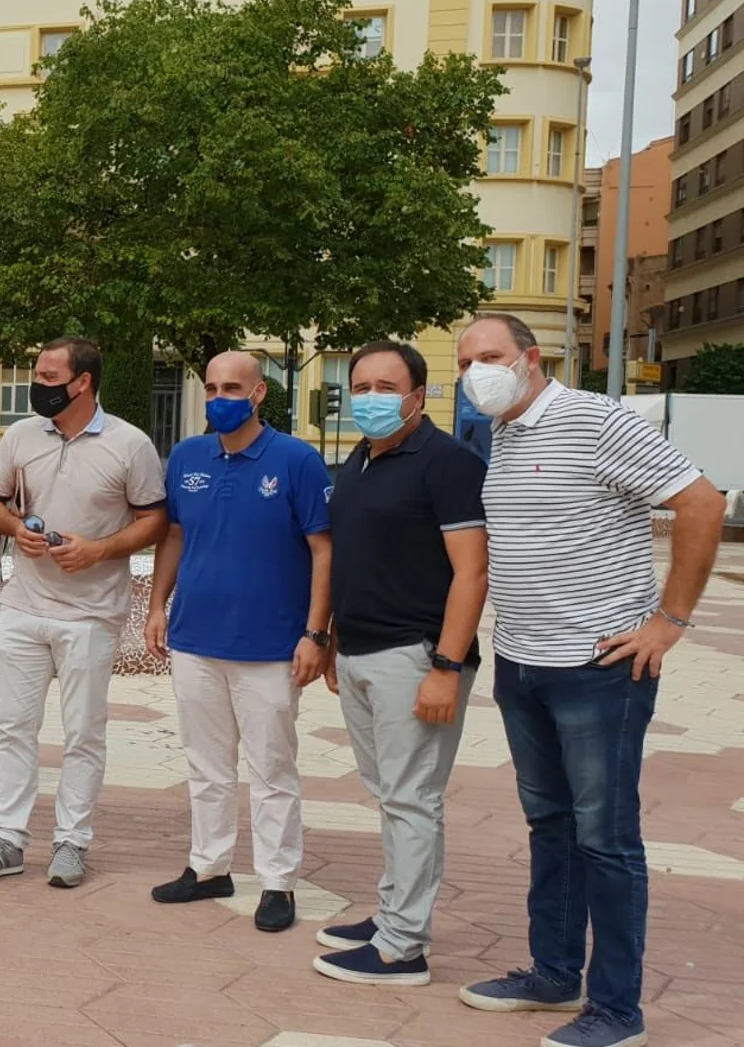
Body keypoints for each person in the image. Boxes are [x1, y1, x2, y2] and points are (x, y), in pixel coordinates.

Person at [453, 314, 725, 1047]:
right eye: (467, 360)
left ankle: (616, 1009)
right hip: (523, 661)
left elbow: (702, 501)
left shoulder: (596, 419)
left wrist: (669, 620)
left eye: (493, 356)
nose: (478, 370)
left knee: (606, 838)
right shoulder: (501, 432)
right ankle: (552, 972)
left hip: (598, 669)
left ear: (531, 360)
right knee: (552, 825)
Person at [309, 341, 488, 987]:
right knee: (391, 793)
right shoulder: (357, 460)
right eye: (362, 384)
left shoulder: (448, 463)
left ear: (418, 394)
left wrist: (446, 663)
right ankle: (392, 914)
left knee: (413, 798)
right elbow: (350, 556)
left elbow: (473, 571)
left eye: (387, 386)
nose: (371, 396)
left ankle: (403, 946)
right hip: (359, 651)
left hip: (415, 655)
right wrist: (330, 637)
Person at [0, 337, 168, 888]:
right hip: (25, 608)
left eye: (49, 375)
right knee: (13, 728)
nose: (37, 383)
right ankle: (7, 839)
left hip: (92, 615)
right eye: (36, 372)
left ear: (83, 383)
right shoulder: (20, 436)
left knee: (82, 734)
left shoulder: (131, 444)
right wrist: (14, 531)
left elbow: (155, 519)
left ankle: (72, 843)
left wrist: (99, 550)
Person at [143, 351, 332, 931]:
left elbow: (325, 549)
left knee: (272, 769)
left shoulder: (296, 460)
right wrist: (156, 604)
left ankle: (278, 882)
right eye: (211, 386)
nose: (220, 396)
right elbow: (174, 534)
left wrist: (315, 634)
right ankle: (209, 867)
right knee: (206, 764)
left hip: (271, 645)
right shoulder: (188, 456)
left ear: (258, 395)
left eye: (233, 387)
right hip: (197, 637)